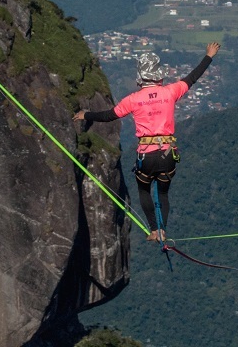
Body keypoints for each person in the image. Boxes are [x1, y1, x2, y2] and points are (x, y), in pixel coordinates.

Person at [74, 42, 221, 242]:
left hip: (147, 155)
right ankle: (162, 230)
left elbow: (109, 115)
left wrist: (86, 114)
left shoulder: (133, 99)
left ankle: (154, 229)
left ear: (140, 78)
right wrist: (209, 56)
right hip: (168, 153)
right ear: (159, 76)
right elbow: (193, 77)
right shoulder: (170, 92)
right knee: (163, 192)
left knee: (144, 189)